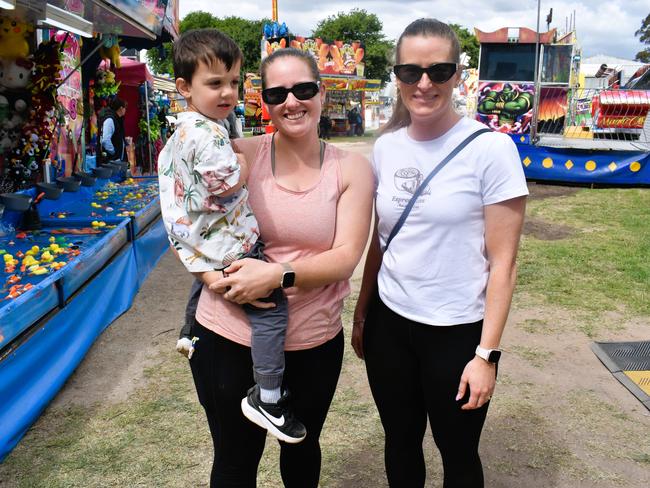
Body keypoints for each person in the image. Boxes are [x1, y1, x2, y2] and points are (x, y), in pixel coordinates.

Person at [351, 18, 528, 488]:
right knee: (400, 441)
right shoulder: (386, 148)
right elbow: (381, 239)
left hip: (457, 333)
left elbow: (504, 264)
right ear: (397, 76)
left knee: (458, 452)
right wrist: (363, 312)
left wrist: (486, 355)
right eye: (410, 72)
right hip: (391, 326)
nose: (424, 84)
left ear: (458, 75)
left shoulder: (492, 150)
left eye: (438, 71)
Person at [190, 47, 373, 487]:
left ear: (322, 93)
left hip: (312, 341)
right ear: (264, 101)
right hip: (228, 334)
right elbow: (190, 228)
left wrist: (276, 275)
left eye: (303, 89)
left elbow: (347, 255)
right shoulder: (237, 155)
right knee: (235, 460)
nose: (292, 102)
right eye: (278, 94)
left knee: (302, 453)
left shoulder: (352, 168)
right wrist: (216, 281)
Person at [158, 29, 311, 445]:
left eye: (234, 82)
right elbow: (226, 184)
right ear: (184, 87)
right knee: (271, 311)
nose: (227, 92)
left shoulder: (185, 131)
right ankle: (269, 395)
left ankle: (190, 330)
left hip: (201, 244)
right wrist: (243, 163)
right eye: (215, 83)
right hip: (228, 245)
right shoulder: (207, 134)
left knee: (203, 284)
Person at [98, 97, 127, 164]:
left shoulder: (116, 119)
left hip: (115, 160)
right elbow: (105, 140)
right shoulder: (110, 119)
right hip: (111, 161)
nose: (125, 110)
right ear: (121, 108)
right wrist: (114, 152)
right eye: (125, 107)